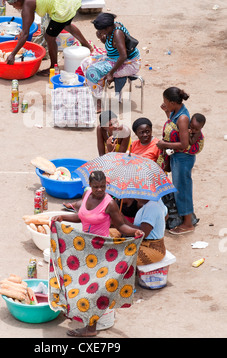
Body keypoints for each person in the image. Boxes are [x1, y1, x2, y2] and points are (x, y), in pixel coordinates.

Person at [52, 170, 144, 337]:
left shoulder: (110, 204)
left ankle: (90, 328)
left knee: (92, 289)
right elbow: (80, 217)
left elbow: (120, 225)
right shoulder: (87, 195)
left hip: (100, 251)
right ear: (90, 186)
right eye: (96, 187)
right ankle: (82, 315)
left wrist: (134, 232)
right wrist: (62, 217)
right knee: (77, 283)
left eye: (103, 186)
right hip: (83, 247)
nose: (100, 190)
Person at [4, 0, 92, 74]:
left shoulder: (27, 4)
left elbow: (26, 34)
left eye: (12, 4)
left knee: (49, 37)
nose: (14, 7)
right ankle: (87, 46)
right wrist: (22, 33)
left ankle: (53, 68)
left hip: (64, 4)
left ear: (18, 0)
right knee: (66, 25)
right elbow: (26, 29)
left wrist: (12, 54)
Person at [80, 13, 141, 113]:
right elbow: (111, 46)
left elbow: (123, 56)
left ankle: (98, 101)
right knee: (86, 62)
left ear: (108, 27)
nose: (99, 31)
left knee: (92, 71)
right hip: (114, 58)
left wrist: (110, 73)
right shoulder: (113, 26)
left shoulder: (117, 34)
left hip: (128, 63)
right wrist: (102, 38)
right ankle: (93, 91)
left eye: (101, 30)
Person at [156, 87, 197, 235]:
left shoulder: (183, 118)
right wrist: (166, 112)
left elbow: (184, 144)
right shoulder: (175, 112)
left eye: (166, 102)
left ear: (173, 102)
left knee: (183, 189)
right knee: (179, 188)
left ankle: (187, 224)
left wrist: (164, 144)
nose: (164, 103)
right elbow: (173, 129)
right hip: (176, 157)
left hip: (183, 158)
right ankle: (187, 216)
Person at [125, 198, 168, 265]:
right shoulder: (156, 200)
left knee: (120, 255)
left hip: (151, 249)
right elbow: (166, 215)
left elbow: (143, 233)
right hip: (149, 244)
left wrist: (123, 222)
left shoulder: (152, 207)